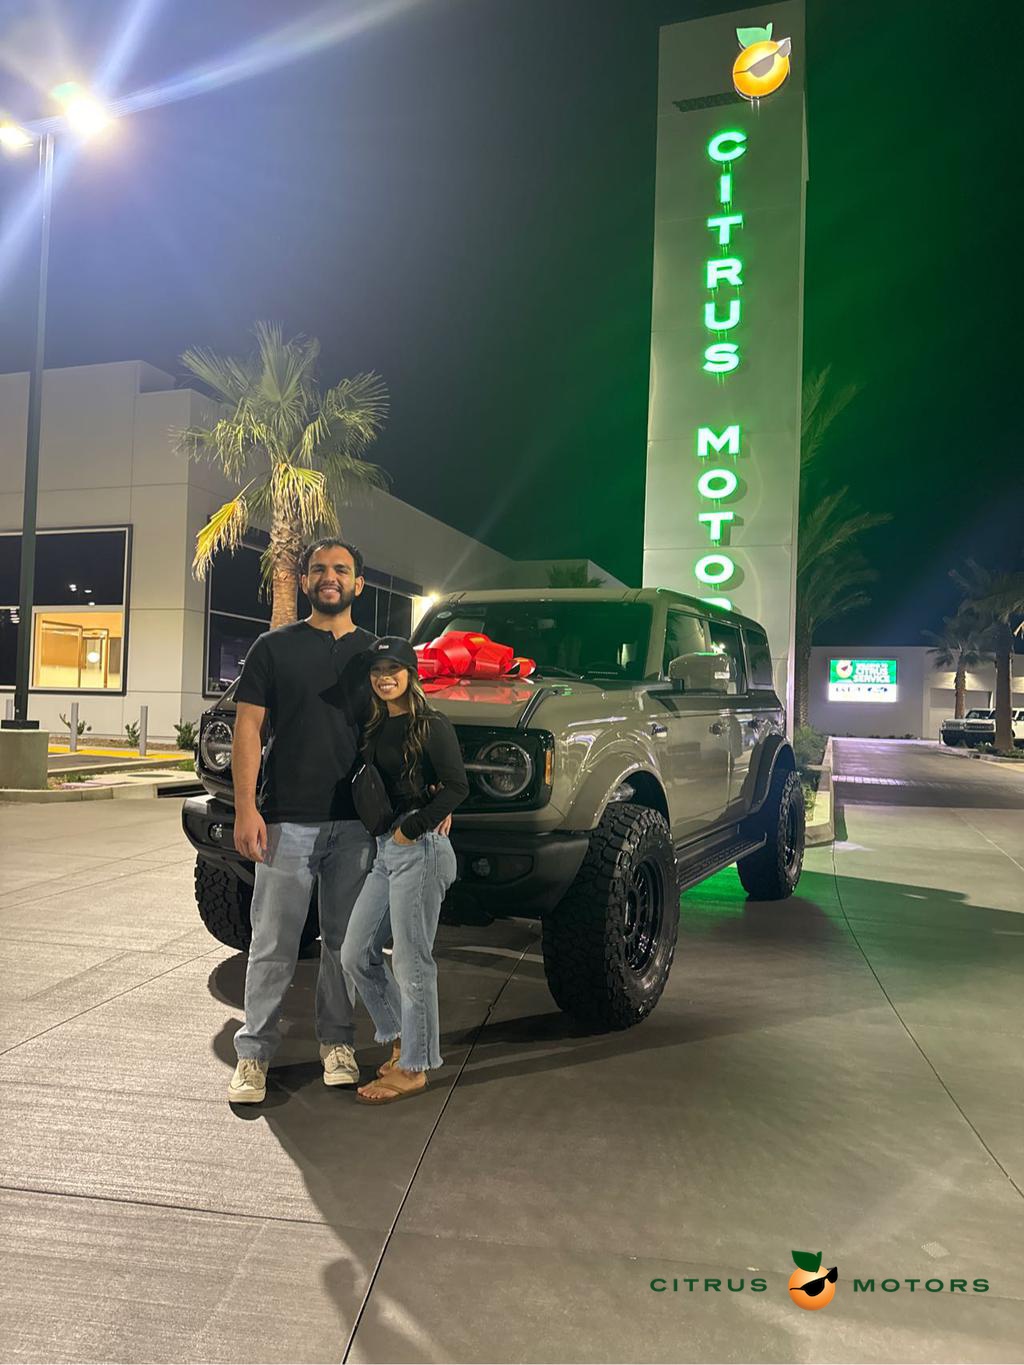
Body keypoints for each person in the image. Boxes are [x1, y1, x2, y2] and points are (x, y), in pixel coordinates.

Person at [226, 539, 377, 1104]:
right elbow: (248, 728)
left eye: (341, 569)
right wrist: (246, 808)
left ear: (358, 583)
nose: (329, 577)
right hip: (286, 820)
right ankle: (253, 1054)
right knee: (272, 943)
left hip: (356, 825)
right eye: (319, 569)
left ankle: (337, 1042)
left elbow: (405, 730)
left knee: (344, 943)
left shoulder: (376, 654)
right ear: (306, 580)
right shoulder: (273, 647)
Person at [340, 637, 469, 1105]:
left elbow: (457, 786)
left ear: (411, 673)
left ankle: (414, 1066)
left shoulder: (431, 724)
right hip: (386, 851)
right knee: (356, 954)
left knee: (412, 962)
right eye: (377, 670)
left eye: (393, 668)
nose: (384, 677)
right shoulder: (376, 724)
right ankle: (402, 1037)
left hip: (419, 850)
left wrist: (414, 828)